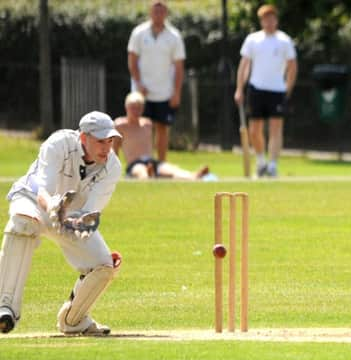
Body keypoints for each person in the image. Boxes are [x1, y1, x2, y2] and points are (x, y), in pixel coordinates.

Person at [0, 111, 123, 335]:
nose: (106, 147)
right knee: (24, 222)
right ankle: (5, 306)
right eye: (100, 141)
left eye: (110, 141)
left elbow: (91, 211)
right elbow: (43, 189)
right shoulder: (59, 143)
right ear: (84, 138)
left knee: (104, 265)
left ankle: (74, 320)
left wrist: (77, 221)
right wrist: (53, 207)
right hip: (34, 201)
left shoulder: (112, 167)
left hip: (71, 216)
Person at [234, 4, 297, 178]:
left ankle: (273, 165)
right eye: (265, 19)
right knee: (254, 129)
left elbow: (292, 66)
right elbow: (244, 65)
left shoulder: (284, 40)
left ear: (276, 20)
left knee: (276, 129)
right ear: (261, 21)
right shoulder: (253, 39)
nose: (269, 22)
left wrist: (288, 88)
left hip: (277, 90)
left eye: (272, 19)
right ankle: (261, 162)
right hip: (256, 89)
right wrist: (239, 88)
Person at [127, 0, 186, 163]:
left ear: (166, 13)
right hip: (142, 93)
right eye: (155, 11)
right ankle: (141, 164)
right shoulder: (139, 33)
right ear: (150, 12)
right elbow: (132, 60)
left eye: (161, 11)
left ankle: (160, 166)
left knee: (162, 128)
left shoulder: (174, 36)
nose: (158, 15)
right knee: (142, 129)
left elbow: (179, 67)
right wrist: (138, 84)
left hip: (164, 92)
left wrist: (176, 92)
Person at [114, 92, 209, 180]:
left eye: (139, 108)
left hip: (151, 161)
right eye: (133, 108)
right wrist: (115, 170)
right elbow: (115, 150)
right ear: (126, 108)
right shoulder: (120, 125)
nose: (136, 111)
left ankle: (193, 176)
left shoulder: (147, 124)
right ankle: (147, 175)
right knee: (140, 171)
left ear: (142, 109)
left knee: (172, 170)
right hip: (134, 163)